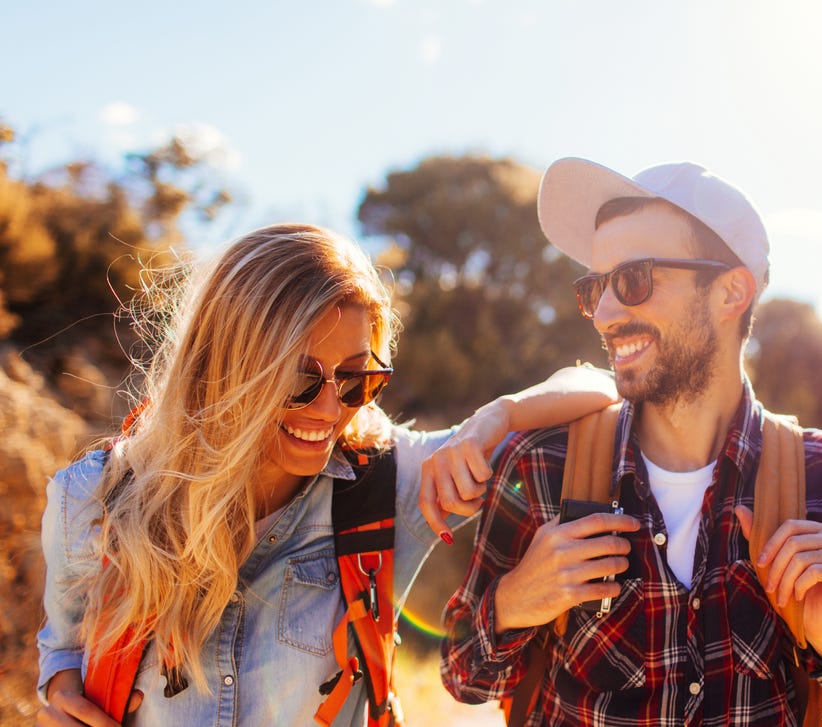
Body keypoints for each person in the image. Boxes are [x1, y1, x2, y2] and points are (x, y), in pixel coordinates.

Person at [36, 223, 618, 726]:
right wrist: (63, 693)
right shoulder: (92, 499)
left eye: (355, 379)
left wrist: (496, 416)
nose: (328, 410)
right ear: (226, 365)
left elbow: (599, 386)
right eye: (299, 380)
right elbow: (61, 648)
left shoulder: (387, 486)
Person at [439, 159, 822, 725]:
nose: (604, 314)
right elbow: (462, 676)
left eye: (633, 280)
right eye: (594, 288)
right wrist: (515, 602)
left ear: (730, 291)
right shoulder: (544, 466)